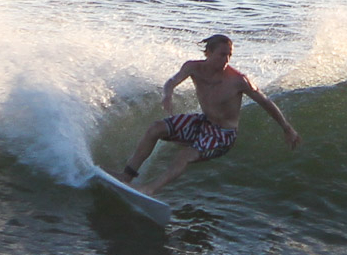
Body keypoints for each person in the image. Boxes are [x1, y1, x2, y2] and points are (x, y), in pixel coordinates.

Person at [120, 34, 300, 195]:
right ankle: (126, 176)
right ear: (208, 53)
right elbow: (171, 81)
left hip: (224, 134)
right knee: (155, 128)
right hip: (203, 122)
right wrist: (168, 93)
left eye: (229, 55)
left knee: (185, 155)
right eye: (222, 54)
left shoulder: (238, 80)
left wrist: (287, 128)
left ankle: (149, 189)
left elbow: (265, 102)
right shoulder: (193, 68)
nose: (226, 59)